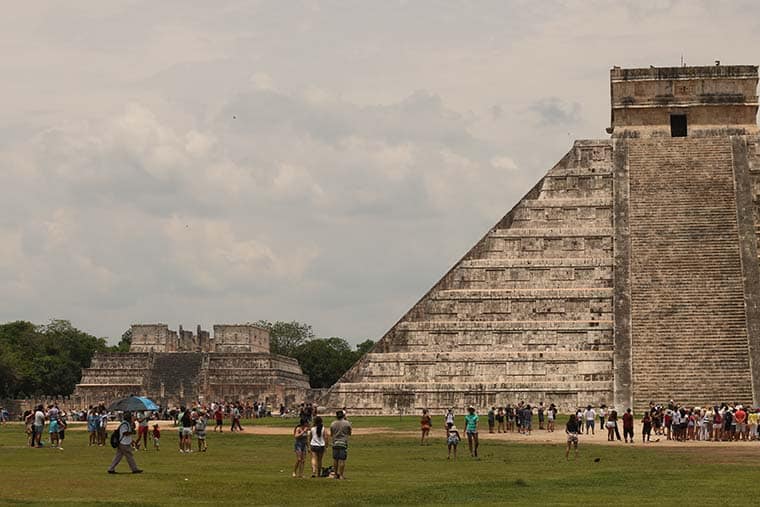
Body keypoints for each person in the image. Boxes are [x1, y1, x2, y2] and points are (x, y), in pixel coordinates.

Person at [330, 410, 352, 480]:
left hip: (335, 443)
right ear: (343, 415)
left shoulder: (333, 424)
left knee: (335, 460)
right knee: (342, 460)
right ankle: (341, 475)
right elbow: (349, 433)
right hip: (343, 443)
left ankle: (336, 475)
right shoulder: (347, 423)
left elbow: (331, 434)